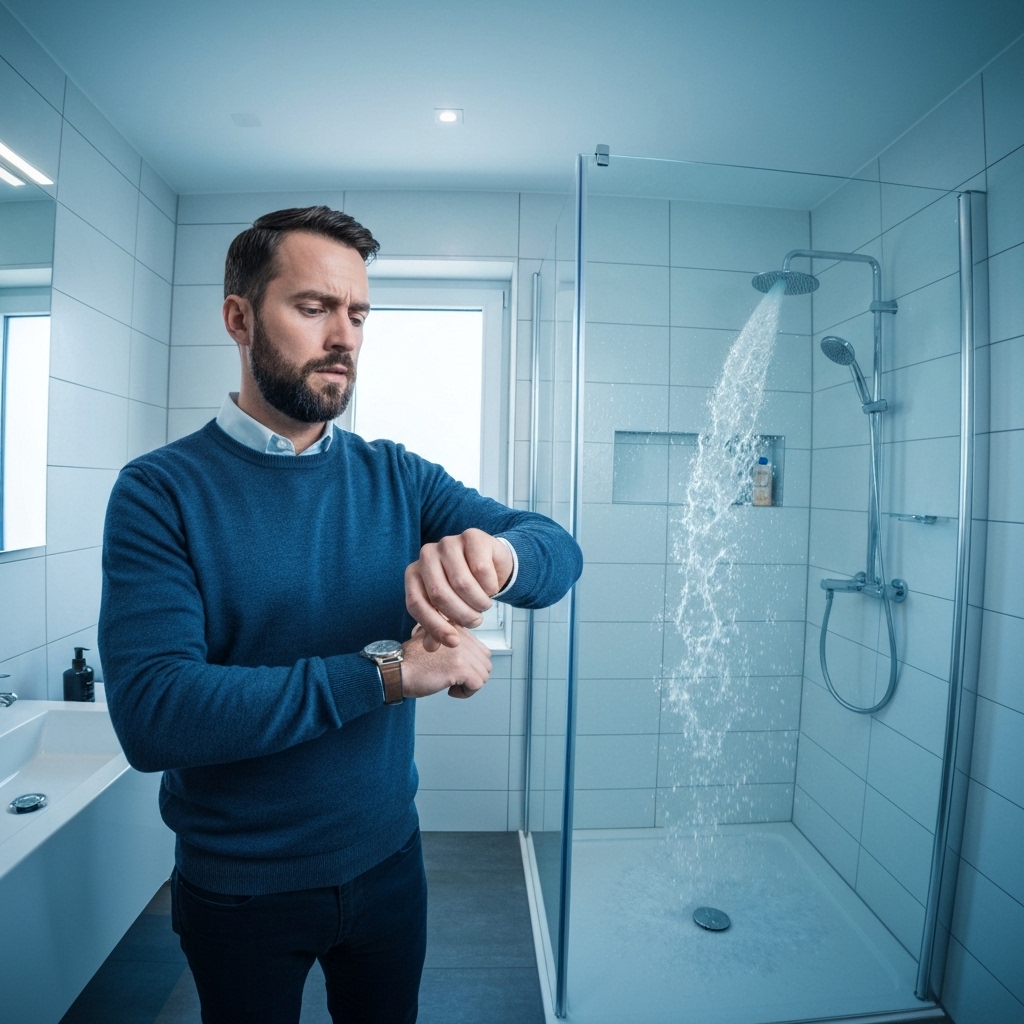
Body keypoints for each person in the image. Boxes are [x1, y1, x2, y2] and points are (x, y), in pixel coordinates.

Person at [97, 206, 582, 1024]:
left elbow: (555, 549)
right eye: (314, 307)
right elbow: (155, 718)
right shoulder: (159, 492)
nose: (345, 336)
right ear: (239, 318)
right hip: (239, 889)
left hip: (389, 862)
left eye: (358, 313)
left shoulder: (396, 476)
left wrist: (495, 558)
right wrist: (390, 672)